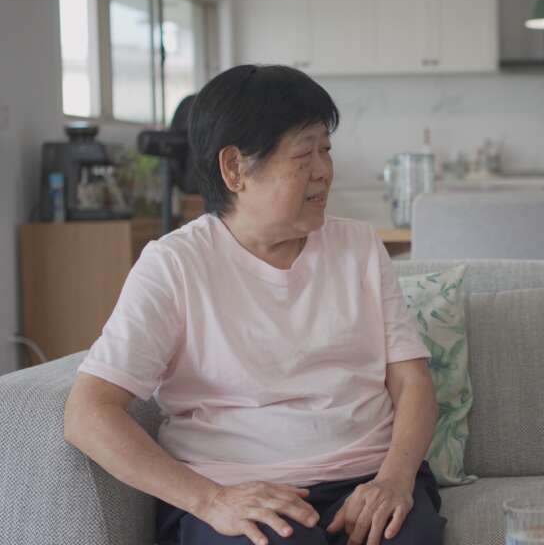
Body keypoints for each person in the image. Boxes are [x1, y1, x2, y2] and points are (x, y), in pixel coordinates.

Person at [63, 65, 443, 545]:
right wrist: (210, 501)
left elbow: (412, 381)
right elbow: (88, 413)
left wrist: (395, 479)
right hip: (239, 492)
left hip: (367, 481)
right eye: (304, 153)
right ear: (235, 168)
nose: (324, 170)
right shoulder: (174, 265)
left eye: (326, 149)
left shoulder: (360, 247)